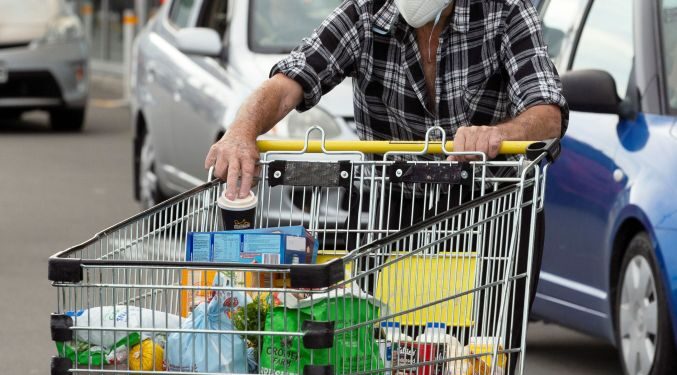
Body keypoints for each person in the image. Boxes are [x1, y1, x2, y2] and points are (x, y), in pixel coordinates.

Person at [205, 0, 568, 371]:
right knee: (392, 345)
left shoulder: (504, 11)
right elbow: (287, 83)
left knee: (485, 352)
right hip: (399, 200)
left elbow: (547, 111)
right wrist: (241, 132)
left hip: (493, 206)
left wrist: (498, 134)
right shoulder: (365, 13)